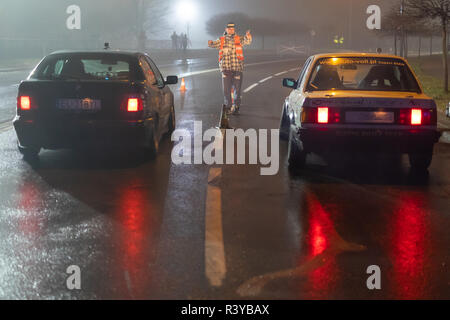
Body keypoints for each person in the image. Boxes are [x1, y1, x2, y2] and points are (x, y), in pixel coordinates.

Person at [208, 22, 252, 116]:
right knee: (226, 90)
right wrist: (211, 43)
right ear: (226, 29)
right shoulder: (221, 40)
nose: (231, 30)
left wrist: (248, 36)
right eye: (229, 28)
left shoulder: (238, 39)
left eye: (232, 28)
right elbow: (214, 44)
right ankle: (228, 107)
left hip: (237, 68)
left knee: (237, 90)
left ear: (234, 29)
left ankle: (236, 107)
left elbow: (247, 41)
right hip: (226, 69)